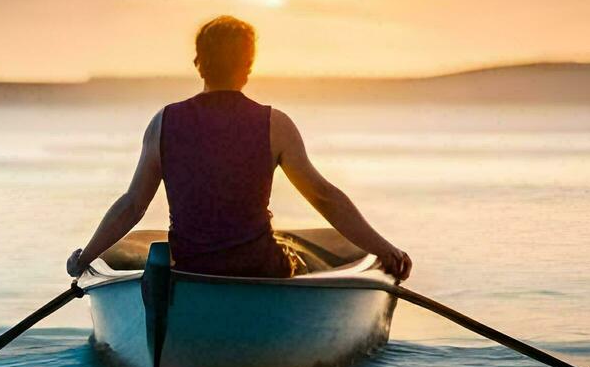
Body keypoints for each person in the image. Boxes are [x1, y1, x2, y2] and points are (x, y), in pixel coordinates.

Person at [67, 16, 411, 281]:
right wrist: (386, 251)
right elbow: (323, 197)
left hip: (191, 270)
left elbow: (132, 206)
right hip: (258, 270)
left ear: (198, 62)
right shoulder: (275, 125)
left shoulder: (164, 123)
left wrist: (85, 258)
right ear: (248, 66)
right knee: (298, 262)